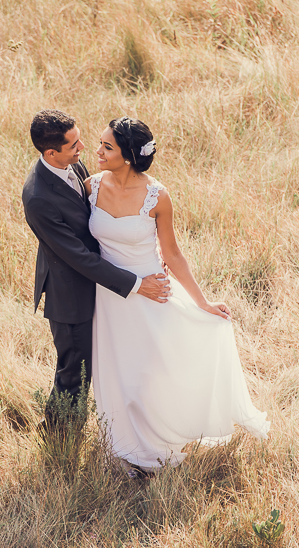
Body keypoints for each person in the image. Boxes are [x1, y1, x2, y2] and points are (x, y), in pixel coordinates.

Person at [88, 116, 270, 472]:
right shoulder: (91, 186)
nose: (98, 151)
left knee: (149, 371)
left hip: (151, 293)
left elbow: (172, 253)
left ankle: (155, 439)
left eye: (107, 147)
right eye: (99, 144)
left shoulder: (158, 195)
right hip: (108, 295)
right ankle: (123, 446)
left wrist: (202, 302)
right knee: (115, 371)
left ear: (127, 156)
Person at [21, 110, 170, 432]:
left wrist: (144, 248)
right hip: (69, 291)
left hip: (102, 285)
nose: (83, 149)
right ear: (51, 153)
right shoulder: (37, 199)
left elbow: (100, 219)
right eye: (74, 145)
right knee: (75, 369)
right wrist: (136, 283)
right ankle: (59, 437)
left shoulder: (72, 165)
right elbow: (77, 258)